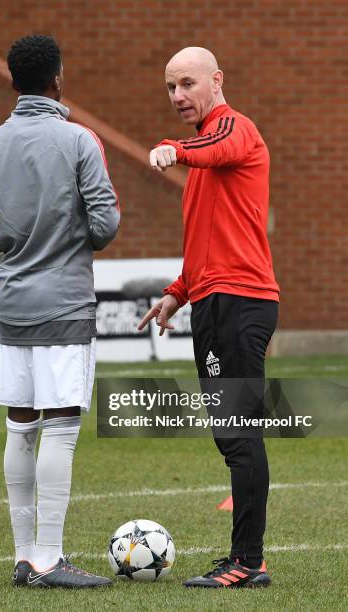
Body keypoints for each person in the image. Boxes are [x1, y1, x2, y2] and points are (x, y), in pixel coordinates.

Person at [0, 34, 120, 588]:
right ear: (58, 78)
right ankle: (50, 558)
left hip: (14, 309)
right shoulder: (79, 140)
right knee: (63, 429)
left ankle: (26, 556)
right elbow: (105, 225)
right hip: (65, 304)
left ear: (12, 80)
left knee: (20, 426)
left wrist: (0, 273)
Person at [139, 47, 279, 588]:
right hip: (213, 300)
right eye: (170, 88)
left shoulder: (235, 130)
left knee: (240, 431)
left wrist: (174, 148)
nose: (177, 97)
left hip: (242, 301)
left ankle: (249, 561)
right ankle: (244, 557)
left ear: (217, 81)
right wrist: (177, 293)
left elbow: (212, 145)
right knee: (230, 432)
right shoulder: (205, 158)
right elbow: (207, 240)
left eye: (187, 84)